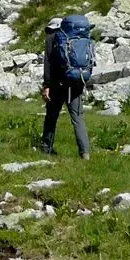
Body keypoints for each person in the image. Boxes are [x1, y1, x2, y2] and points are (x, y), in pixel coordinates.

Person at [41, 15, 93, 160]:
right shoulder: (79, 38)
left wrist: (47, 86)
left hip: (57, 84)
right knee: (78, 118)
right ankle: (85, 153)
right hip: (76, 82)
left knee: (51, 117)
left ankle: (46, 148)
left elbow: (48, 64)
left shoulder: (52, 38)